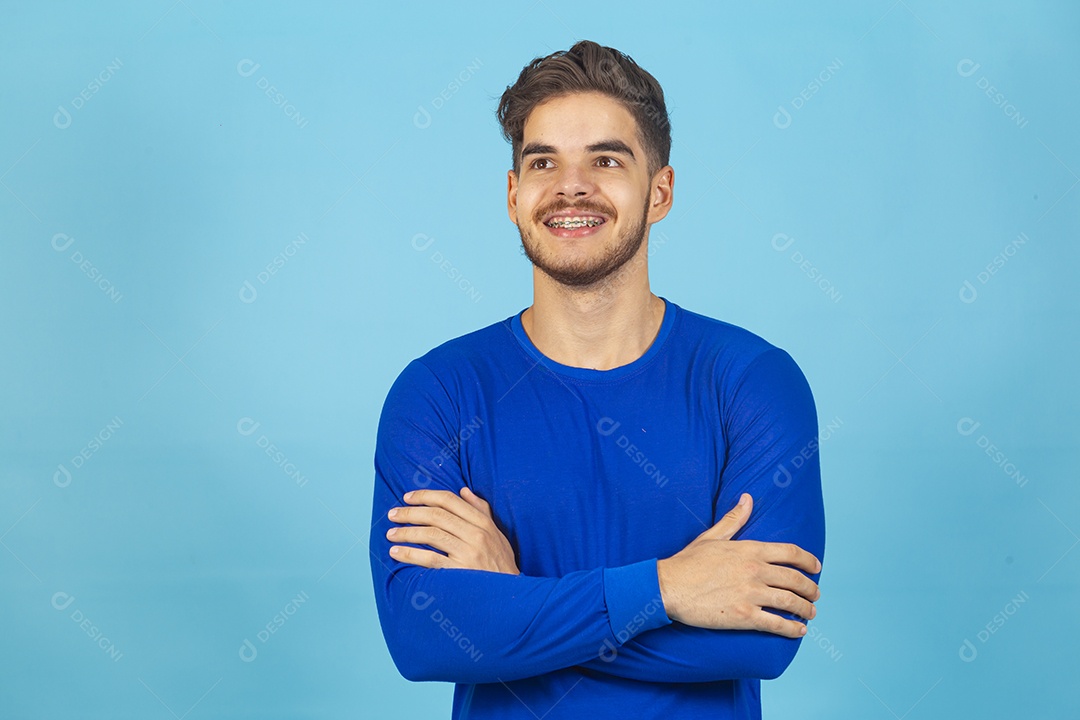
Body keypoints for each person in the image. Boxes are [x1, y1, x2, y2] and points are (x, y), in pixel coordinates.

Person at [370, 39, 825, 719]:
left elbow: (762, 637)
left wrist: (514, 595)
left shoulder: (753, 383)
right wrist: (669, 589)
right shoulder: (437, 391)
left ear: (660, 191)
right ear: (513, 194)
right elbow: (421, 638)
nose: (570, 187)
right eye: (543, 161)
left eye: (606, 160)